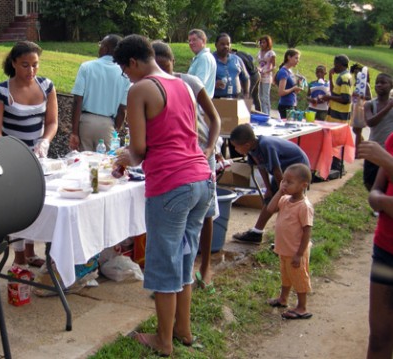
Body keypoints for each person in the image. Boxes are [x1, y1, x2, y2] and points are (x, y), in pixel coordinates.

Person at [114, 34, 213, 356]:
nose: (126, 76)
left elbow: (140, 150)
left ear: (132, 63)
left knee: (164, 263)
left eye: (124, 70)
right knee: (184, 259)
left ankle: (164, 340)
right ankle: (182, 330)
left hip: (171, 184)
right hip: (200, 181)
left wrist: (126, 156)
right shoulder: (182, 84)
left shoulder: (140, 89)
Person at [152, 40, 221, 290]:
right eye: (156, 67)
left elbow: (214, 118)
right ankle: (179, 277)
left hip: (202, 153)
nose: (162, 73)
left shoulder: (190, 82)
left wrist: (210, 148)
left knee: (206, 213)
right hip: (177, 160)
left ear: (173, 63)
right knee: (178, 219)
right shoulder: (151, 86)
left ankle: (204, 266)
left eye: (166, 67)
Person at [0, 41, 58, 267]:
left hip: (37, 156)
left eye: (35, 65)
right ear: (13, 63)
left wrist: (44, 141)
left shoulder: (47, 86)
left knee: (36, 204)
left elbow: (52, 122)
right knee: (17, 207)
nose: (31, 71)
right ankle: (18, 254)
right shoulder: (2, 91)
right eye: (25, 65)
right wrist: (8, 151)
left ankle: (31, 250)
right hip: (12, 156)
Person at [230, 124, 310, 244]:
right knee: (271, 199)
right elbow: (261, 167)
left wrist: (282, 192)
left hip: (298, 167)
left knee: (291, 204)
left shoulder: (266, 146)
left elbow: (277, 171)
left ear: (246, 144)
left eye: (236, 147)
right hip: (285, 170)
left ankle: (292, 238)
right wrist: (268, 188)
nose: (236, 150)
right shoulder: (252, 149)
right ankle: (257, 233)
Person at [358, 136, 393, 359]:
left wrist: (388, 161)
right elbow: (375, 192)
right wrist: (382, 202)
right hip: (386, 251)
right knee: (379, 336)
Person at [265, 163, 314, 320]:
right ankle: (283, 298)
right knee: (286, 276)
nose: (285, 184)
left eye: (289, 182)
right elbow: (270, 209)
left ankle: (302, 307)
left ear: (303, 185)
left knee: (299, 278)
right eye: (283, 181)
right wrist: (279, 191)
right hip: (284, 249)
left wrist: (299, 254)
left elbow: (307, 231)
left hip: (295, 251)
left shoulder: (304, 206)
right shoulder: (285, 199)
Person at [69, 34, 129, 152]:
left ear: (105, 49)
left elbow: (77, 101)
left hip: (85, 123)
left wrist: (74, 132)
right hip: (108, 124)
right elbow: (122, 110)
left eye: (100, 45)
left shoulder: (86, 67)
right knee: (105, 165)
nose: (99, 48)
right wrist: (115, 130)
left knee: (83, 164)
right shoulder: (125, 74)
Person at [363, 73, 393, 191]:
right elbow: (370, 122)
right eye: (377, 82)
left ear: (391, 86)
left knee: (386, 183)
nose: (379, 85)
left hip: (389, 151)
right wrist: (388, 107)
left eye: (383, 82)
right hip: (374, 149)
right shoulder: (370, 104)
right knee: (369, 182)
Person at [212, 33, 249, 100]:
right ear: (216, 45)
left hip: (236, 98)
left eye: (228, 44)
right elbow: (202, 81)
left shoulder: (237, 59)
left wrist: (246, 93)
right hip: (216, 99)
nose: (226, 46)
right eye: (222, 44)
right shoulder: (210, 60)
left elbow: (245, 78)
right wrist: (213, 84)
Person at [187, 29, 217, 98]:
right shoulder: (200, 57)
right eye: (189, 40)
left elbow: (199, 83)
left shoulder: (204, 58)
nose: (191, 43)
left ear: (203, 41)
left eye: (194, 40)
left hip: (200, 104)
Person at [274, 49, 303, 119]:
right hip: (286, 105)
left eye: (298, 59)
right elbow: (281, 92)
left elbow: (294, 91)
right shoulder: (283, 72)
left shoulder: (290, 71)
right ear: (289, 57)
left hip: (292, 103)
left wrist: (298, 84)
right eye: (296, 58)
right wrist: (293, 88)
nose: (298, 61)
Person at [350, 63, 372, 152]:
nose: (356, 75)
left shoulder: (366, 84)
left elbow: (369, 97)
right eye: (355, 73)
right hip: (356, 108)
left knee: (357, 130)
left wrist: (360, 96)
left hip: (362, 109)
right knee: (356, 130)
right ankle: (363, 145)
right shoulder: (356, 84)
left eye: (357, 72)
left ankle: (358, 151)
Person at [325, 54, 352, 123]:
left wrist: (328, 97)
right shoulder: (341, 76)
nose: (334, 67)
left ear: (339, 64)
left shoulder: (345, 78)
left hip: (340, 118)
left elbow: (346, 99)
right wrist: (330, 77)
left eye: (335, 64)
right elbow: (333, 93)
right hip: (335, 116)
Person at [231, 47, 260, 111]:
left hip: (251, 76)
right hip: (256, 73)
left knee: (246, 94)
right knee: (255, 96)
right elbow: (251, 59)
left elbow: (242, 73)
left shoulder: (236, 58)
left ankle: (245, 112)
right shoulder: (241, 53)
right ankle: (259, 111)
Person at [256, 35, 276, 115]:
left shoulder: (271, 53)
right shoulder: (259, 52)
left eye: (264, 42)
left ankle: (267, 113)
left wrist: (267, 71)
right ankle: (262, 112)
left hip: (267, 76)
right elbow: (258, 62)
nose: (262, 44)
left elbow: (274, 66)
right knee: (260, 96)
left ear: (268, 43)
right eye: (261, 42)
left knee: (265, 96)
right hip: (259, 75)